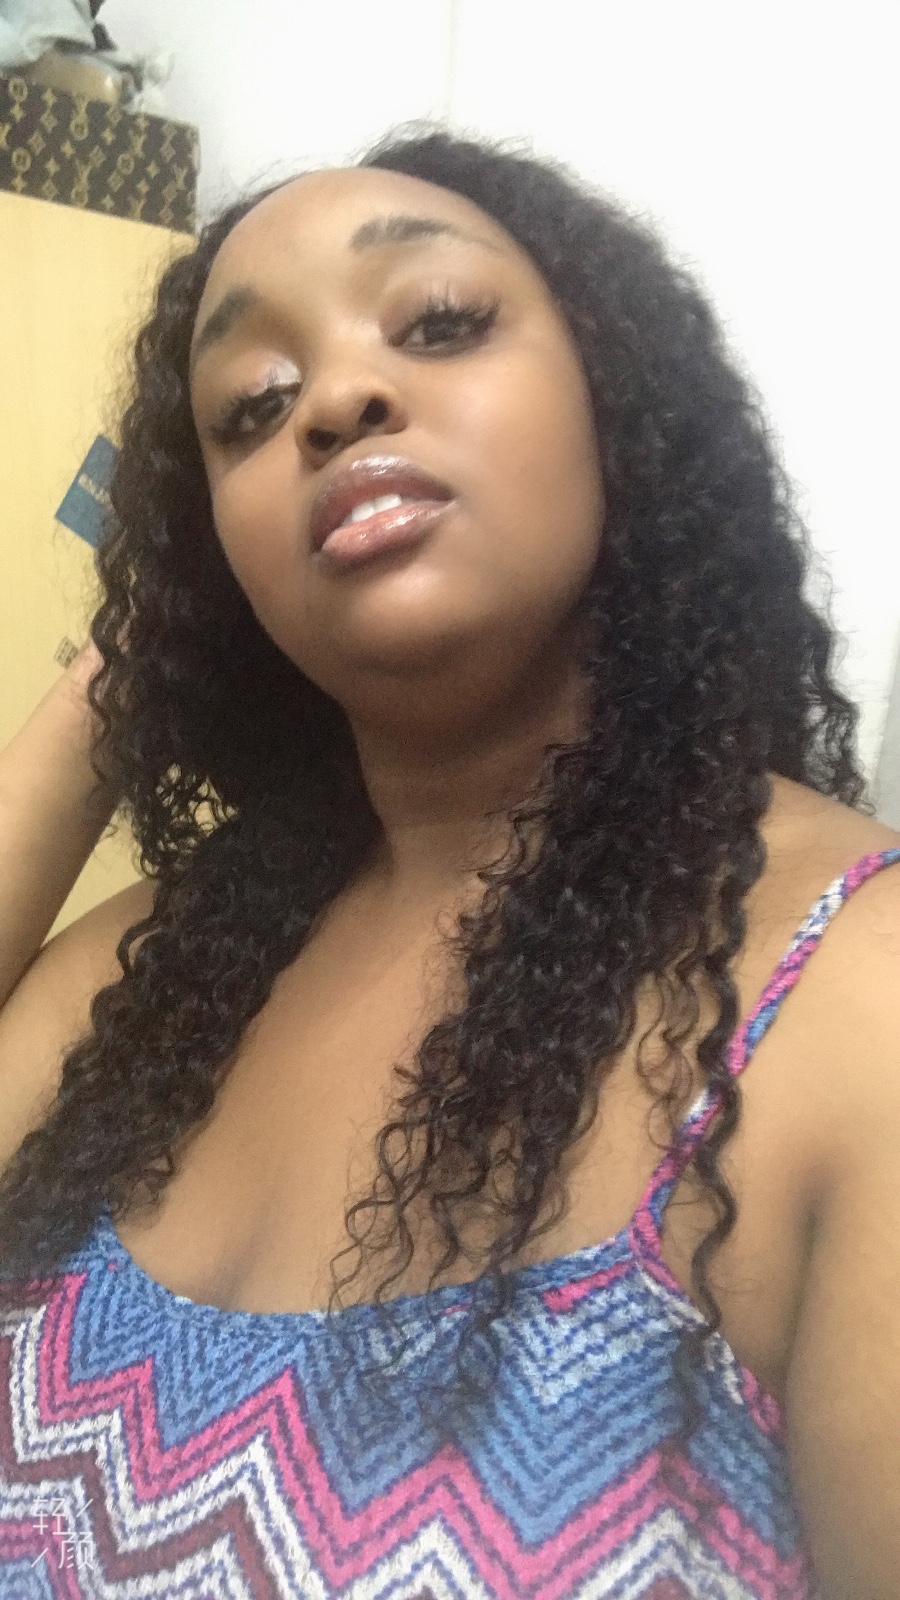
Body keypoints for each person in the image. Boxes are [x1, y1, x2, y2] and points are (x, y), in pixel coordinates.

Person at [0, 125, 897, 1598]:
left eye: (438, 322)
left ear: (617, 399)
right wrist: (134, 654)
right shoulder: (149, 979)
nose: (336, 400)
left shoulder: (861, 996)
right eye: (251, 408)